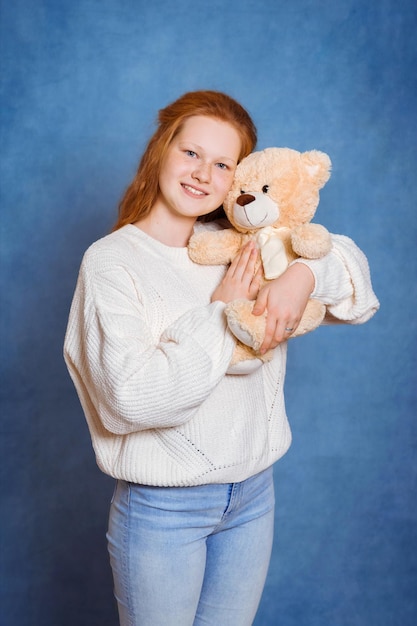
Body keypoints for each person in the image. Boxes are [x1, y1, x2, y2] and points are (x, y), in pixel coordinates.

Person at [64, 90, 379, 626]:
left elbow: (358, 297)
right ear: (161, 150)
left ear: (237, 177)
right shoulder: (112, 262)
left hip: (254, 494)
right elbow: (129, 399)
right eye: (191, 153)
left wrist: (303, 275)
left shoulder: (245, 240)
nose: (201, 173)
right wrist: (220, 313)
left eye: (222, 163)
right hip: (163, 510)